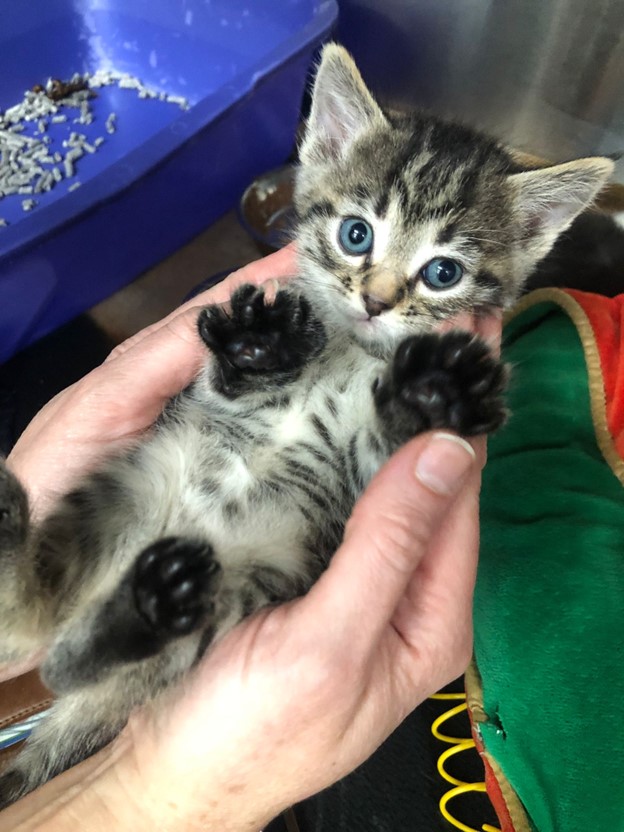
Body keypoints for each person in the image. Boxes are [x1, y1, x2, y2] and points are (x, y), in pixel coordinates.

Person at [0, 246, 501, 832]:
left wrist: (401, 415)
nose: (379, 288)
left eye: (443, 273)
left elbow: (361, 463)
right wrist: (243, 367)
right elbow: (225, 404)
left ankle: (88, 630)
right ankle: (53, 620)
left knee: (231, 567)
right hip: (187, 476)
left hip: (269, 511)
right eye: (358, 236)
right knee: (137, 504)